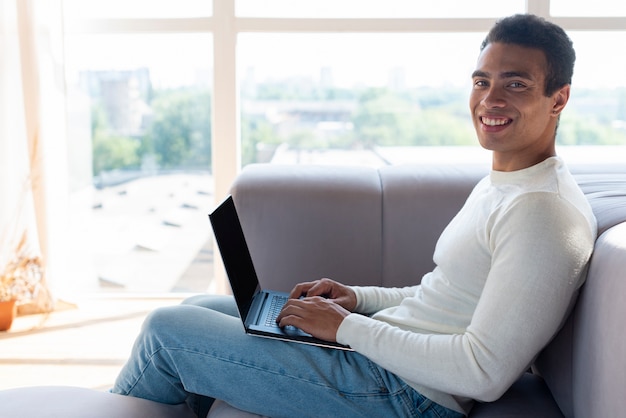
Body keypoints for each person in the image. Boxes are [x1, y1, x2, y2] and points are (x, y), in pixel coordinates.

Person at [112, 14, 597, 418]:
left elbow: (483, 372)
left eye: (516, 84)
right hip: (391, 362)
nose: (491, 99)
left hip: (408, 396)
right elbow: (444, 296)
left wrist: (344, 328)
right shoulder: (506, 184)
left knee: (166, 331)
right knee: (202, 306)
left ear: (558, 99)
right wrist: (357, 300)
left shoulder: (543, 213)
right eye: (482, 80)